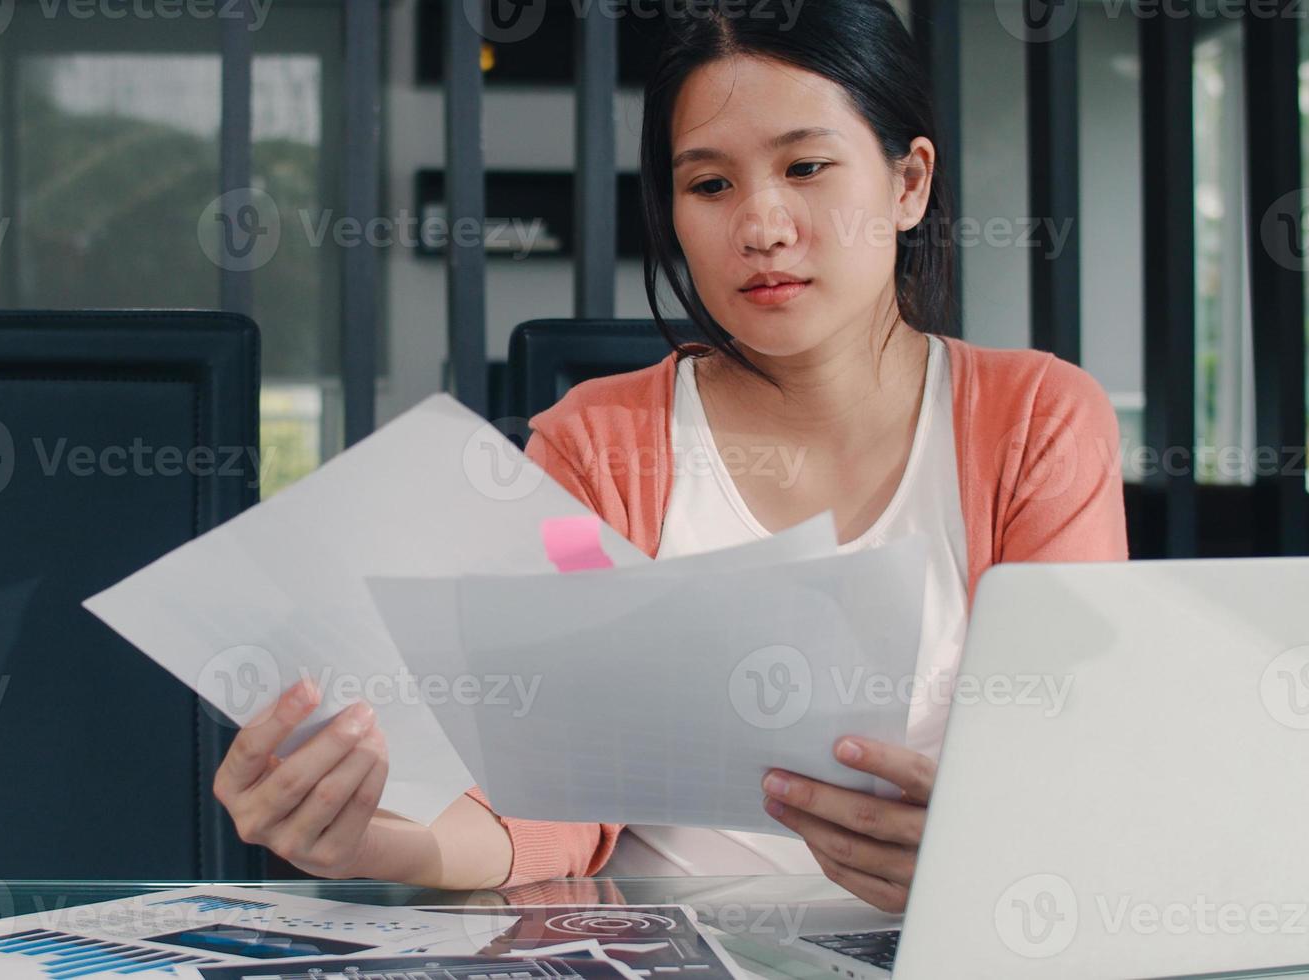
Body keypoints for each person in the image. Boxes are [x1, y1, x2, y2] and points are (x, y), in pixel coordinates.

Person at [211, 0, 1127, 912]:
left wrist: (985, 849)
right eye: (710, 185)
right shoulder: (598, 446)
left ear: (908, 182)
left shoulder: (1037, 421)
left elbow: (1078, 767)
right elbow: (554, 798)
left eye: (806, 167)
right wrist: (368, 833)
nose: (762, 226)